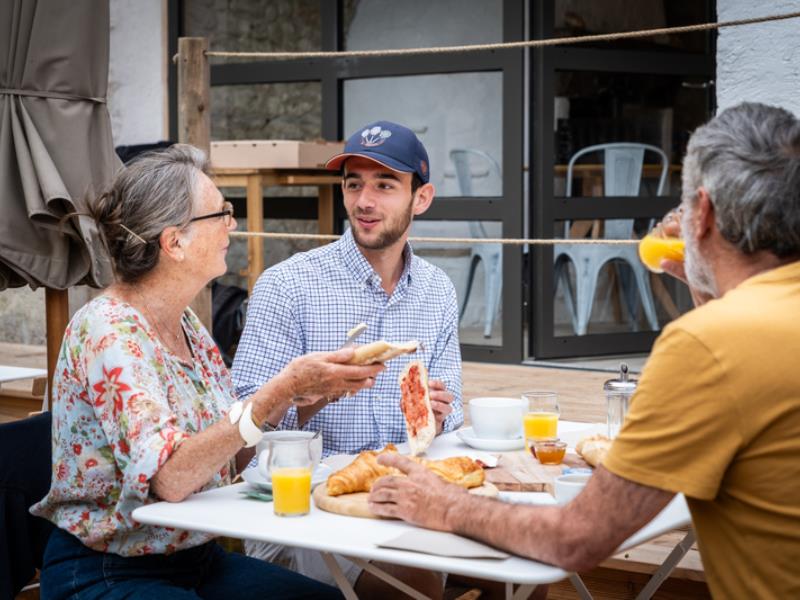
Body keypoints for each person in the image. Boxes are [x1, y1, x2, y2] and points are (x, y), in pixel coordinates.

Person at [367, 102, 800, 599]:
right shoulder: (740, 330)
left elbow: (576, 539)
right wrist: (703, 277)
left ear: (701, 214)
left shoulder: (708, 346)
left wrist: (442, 504)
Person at [31, 144, 384, 599]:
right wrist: (278, 390)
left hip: (196, 558)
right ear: (173, 241)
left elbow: (227, 457)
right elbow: (171, 479)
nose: (232, 226)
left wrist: (306, 396)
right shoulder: (108, 332)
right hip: (106, 569)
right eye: (221, 213)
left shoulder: (186, 324)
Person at [232, 121, 464, 598]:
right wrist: (311, 394)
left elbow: (452, 411)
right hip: (306, 511)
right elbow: (241, 437)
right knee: (412, 585)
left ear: (421, 198)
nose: (364, 201)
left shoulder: (437, 289)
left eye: (385, 185)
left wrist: (436, 413)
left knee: (523, 565)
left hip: (407, 494)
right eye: (353, 184)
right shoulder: (286, 286)